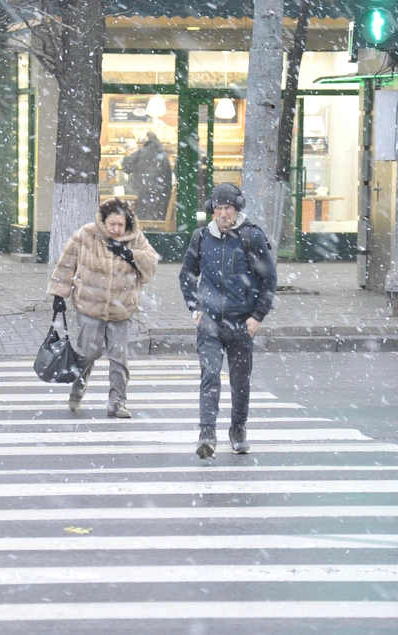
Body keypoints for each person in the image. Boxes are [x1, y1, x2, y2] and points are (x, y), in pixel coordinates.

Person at [179, 183, 276, 458]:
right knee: (209, 376)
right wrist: (194, 310)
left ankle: (238, 429)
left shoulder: (251, 237)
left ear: (236, 209)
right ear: (212, 211)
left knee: (240, 381)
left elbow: (269, 278)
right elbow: (186, 275)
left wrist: (257, 317)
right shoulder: (200, 237)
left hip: (242, 323)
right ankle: (207, 433)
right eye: (219, 209)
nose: (223, 214)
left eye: (228, 208)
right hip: (209, 323)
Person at [47, 197, 158, 418]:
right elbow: (67, 263)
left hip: (121, 309)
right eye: (112, 224)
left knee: (119, 357)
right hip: (90, 307)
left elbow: (151, 262)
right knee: (89, 353)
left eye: (121, 225)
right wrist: (59, 295)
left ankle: (117, 403)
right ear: (103, 222)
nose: (116, 229)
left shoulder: (135, 239)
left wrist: (129, 254)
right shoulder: (86, 235)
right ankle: (78, 388)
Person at [121, 131, 173, 222]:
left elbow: (126, 166)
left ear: (147, 140)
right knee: (153, 217)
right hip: (158, 194)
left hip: (141, 192)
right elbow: (168, 177)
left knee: (140, 215)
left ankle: (142, 231)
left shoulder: (141, 152)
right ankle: (153, 231)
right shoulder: (163, 155)